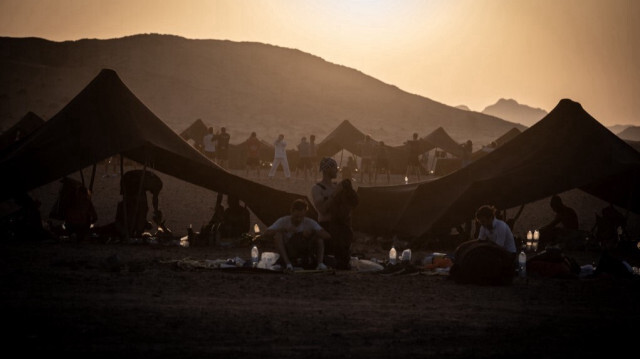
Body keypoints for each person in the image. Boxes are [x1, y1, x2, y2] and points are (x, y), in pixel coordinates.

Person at [311, 157, 359, 270]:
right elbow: (322, 209)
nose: (337, 170)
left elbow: (353, 204)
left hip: (342, 226)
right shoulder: (317, 188)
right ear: (327, 170)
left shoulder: (338, 186)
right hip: (327, 226)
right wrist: (335, 194)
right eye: (334, 168)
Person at [258, 199, 329, 271]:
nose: (298, 219)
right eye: (296, 217)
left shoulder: (309, 222)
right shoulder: (283, 221)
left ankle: (320, 263)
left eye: (301, 217)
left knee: (319, 238)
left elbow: (326, 235)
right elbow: (266, 233)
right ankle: (288, 264)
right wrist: (283, 230)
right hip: (289, 249)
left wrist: (313, 232)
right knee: (278, 235)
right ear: (291, 211)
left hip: (304, 249)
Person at [116, 169, 163, 237]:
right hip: (134, 181)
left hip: (128, 178)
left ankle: (133, 227)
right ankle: (138, 229)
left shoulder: (152, 182)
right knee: (142, 207)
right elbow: (154, 199)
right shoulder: (157, 184)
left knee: (133, 206)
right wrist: (156, 211)